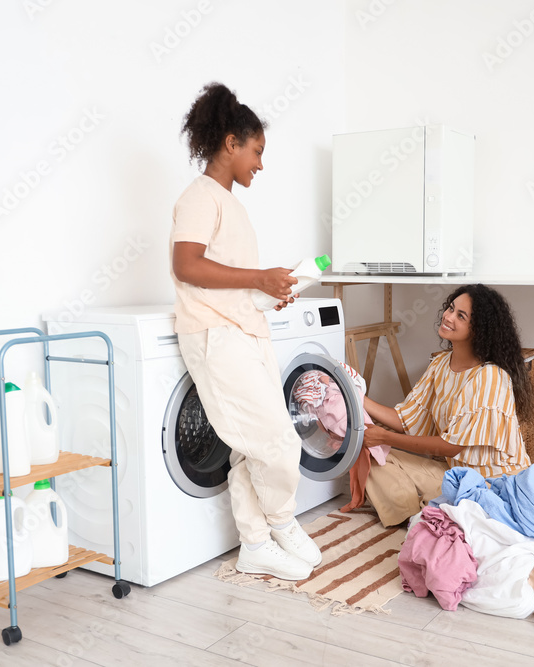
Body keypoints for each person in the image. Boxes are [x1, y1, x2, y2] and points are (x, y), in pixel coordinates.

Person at [170, 82, 321, 580]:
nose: (260, 163)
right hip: (215, 336)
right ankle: (281, 521)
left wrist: (268, 292)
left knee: (251, 445)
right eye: (256, 151)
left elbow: (225, 280)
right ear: (230, 142)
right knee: (278, 441)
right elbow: (187, 265)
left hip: (245, 329)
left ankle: (255, 544)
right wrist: (258, 277)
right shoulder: (199, 197)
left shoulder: (232, 205)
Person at [361, 284, 534, 526]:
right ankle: (417, 515)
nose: (448, 317)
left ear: (479, 330)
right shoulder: (440, 364)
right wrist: (358, 397)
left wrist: (384, 437)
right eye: (451, 308)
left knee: (381, 447)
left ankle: (427, 513)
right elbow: (405, 418)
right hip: (455, 474)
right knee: (369, 453)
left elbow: (450, 447)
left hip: (492, 482)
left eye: (460, 316)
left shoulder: (490, 376)